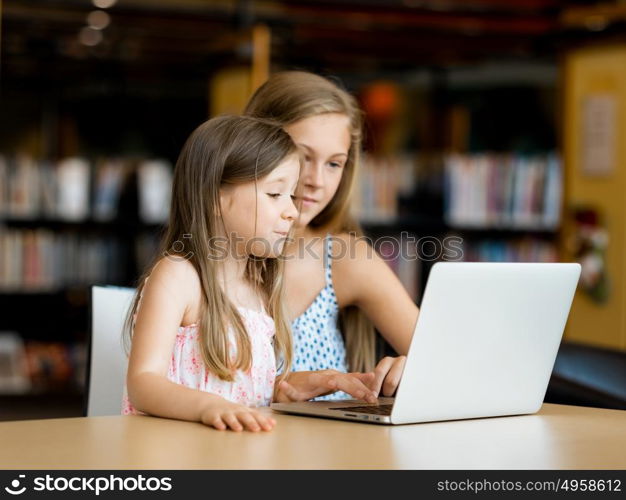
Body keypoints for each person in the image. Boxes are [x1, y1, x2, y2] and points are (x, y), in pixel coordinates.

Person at [122, 115, 377, 432]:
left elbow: (240, 391)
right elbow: (144, 383)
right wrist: (208, 407)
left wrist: (295, 385)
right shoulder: (178, 276)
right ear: (215, 197)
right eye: (275, 194)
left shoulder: (259, 287)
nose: (292, 211)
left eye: (292, 196)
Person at [245, 71, 420, 400]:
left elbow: (448, 362)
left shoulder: (343, 258)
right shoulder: (209, 259)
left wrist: (415, 370)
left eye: (334, 164)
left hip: (334, 450)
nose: (316, 181)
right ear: (253, 146)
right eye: (302, 155)